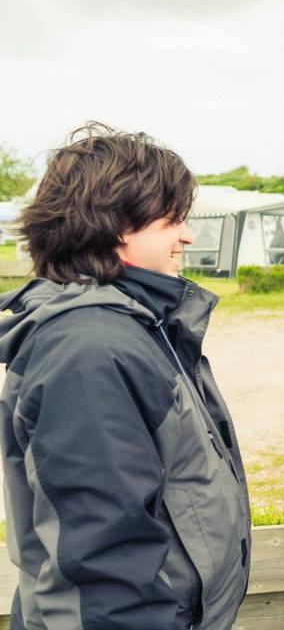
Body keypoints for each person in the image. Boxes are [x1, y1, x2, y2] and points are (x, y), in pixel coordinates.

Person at [0, 123, 250, 630]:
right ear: (117, 226)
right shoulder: (88, 351)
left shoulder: (136, 322)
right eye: (173, 220)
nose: (187, 235)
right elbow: (103, 566)